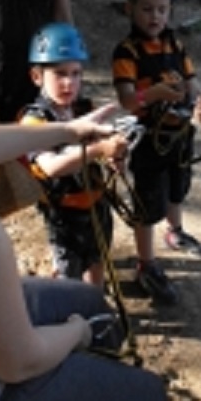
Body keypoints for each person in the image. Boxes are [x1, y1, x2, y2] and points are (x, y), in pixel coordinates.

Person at [0, 0, 168, 401]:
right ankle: (91, 351)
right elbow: (17, 363)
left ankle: (96, 349)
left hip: (90, 210)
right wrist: (74, 332)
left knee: (91, 293)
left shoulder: (75, 111)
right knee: (148, 390)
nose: (69, 82)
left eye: (75, 74)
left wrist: (74, 132)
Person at [112, 0, 201, 305]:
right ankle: (146, 262)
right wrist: (155, 93)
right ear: (130, 8)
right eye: (147, 9)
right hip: (149, 139)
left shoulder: (174, 44)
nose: (155, 16)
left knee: (177, 186)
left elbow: (192, 82)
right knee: (148, 200)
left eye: (162, 9)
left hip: (179, 133)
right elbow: (127, 100)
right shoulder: (127, 52)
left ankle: (175, 230)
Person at [19, 22, 127, 287]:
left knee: (97, 260)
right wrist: (97, 149)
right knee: (69, 276)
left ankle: (94, 300)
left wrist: (115, 156)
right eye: (60, 74)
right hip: (63, 216)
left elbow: (102, 150)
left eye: (76, 73)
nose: (69, 83)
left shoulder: (84, 109)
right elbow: (51, 166)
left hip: (97, 207)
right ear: (37, 76)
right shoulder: (33, 121)